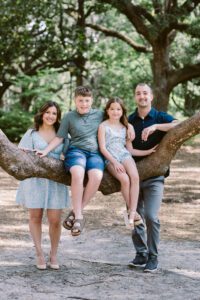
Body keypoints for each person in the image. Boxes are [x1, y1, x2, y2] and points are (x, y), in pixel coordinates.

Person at [35, 86, 105, 237]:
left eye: (87, 101)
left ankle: (75, 211)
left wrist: (130, 127)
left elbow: (117, 120)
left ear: (91, 100)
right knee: (78, 173)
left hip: (95, 153)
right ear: (75, 100)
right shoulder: (69, 117)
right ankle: (79, 217)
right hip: (76, 152)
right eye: (80, 101)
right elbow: (60, 137)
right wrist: (45, 151)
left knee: (97, 176)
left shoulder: (100, 114)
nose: (84, 104)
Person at [128, 83, 178, 272]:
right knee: (134, 215)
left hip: (155, 176)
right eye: (138, 93)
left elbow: (179, 125)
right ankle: (141, 253)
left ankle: (153, 257)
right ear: (135, 97)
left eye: (145, 93)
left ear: (151, 96)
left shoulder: (159, 116)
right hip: (133, 176)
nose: (142, 96)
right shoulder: (129, 120)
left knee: (150, 216)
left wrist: (157, 126)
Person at [16, 101, 70, 270]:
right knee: (35, 217)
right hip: (35, 182)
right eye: (48, 112)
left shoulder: (63, 135)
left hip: (55, 182)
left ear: (58, 116)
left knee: (55, 220)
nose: (51, 116)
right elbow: (20, 156)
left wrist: (64, 157)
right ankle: (39, 253)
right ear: (42, 114)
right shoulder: (31, 134)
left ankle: (53, 254)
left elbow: (70, 154)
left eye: (54, 113)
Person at [98, 97, 156, 227]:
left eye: (118, 109)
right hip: (110, 158)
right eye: (112, 109)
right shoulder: (103, 126)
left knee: (135, 177)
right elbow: (102, 148)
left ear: (122, 111)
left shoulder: (126, 127)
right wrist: (115, 163)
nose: (115, 112)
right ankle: (132, 212)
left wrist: (148, 152)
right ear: (107, 111)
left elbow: (130, 150)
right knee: (124, 180)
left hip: (124, 155)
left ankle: (132, 212)